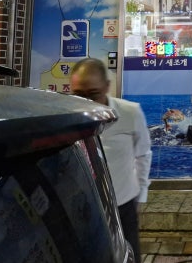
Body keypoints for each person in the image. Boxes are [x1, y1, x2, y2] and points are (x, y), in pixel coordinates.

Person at [69, 57, 152, 259]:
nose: (86, 102)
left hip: (122, 203)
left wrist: (141, 195)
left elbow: (143, 154)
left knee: (128, 255)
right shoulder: (66, 117)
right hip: (83, 207)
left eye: (93, 94)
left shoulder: (129, 112)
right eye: (79, 94)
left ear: (106, 87)